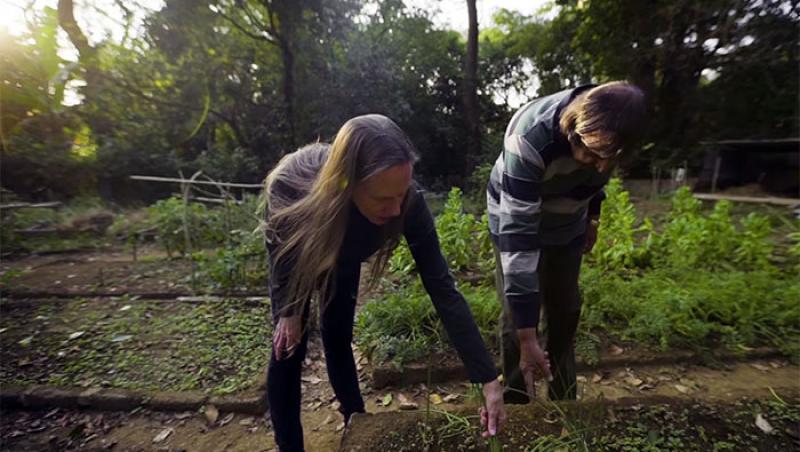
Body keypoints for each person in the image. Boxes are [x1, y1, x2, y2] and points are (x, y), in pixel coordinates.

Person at [263, 114, 506, 452]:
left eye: (401, 194)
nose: (396, 210)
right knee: (288, 349)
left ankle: (357, 423)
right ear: (346, 184)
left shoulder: (408, 204)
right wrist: (288, 309)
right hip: (301, 253)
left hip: (344, 256)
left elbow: (443, 289)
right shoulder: (291, 187)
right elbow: (278, 247)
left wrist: (487, 377)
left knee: (337, 336)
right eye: (382, 199)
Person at [486, 82, 647, 403]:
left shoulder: (611, 133)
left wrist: (592, 218)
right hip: (515, 220)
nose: (600, 166)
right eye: (591, 155)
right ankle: (518, 402)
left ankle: (563, 398)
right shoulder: (529, 138)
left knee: (566, 310)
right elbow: (519, 241)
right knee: (517, 318)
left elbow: (594, 183)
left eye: (608, 160)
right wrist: (528, 333)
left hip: (568, 224)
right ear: (572, 129)